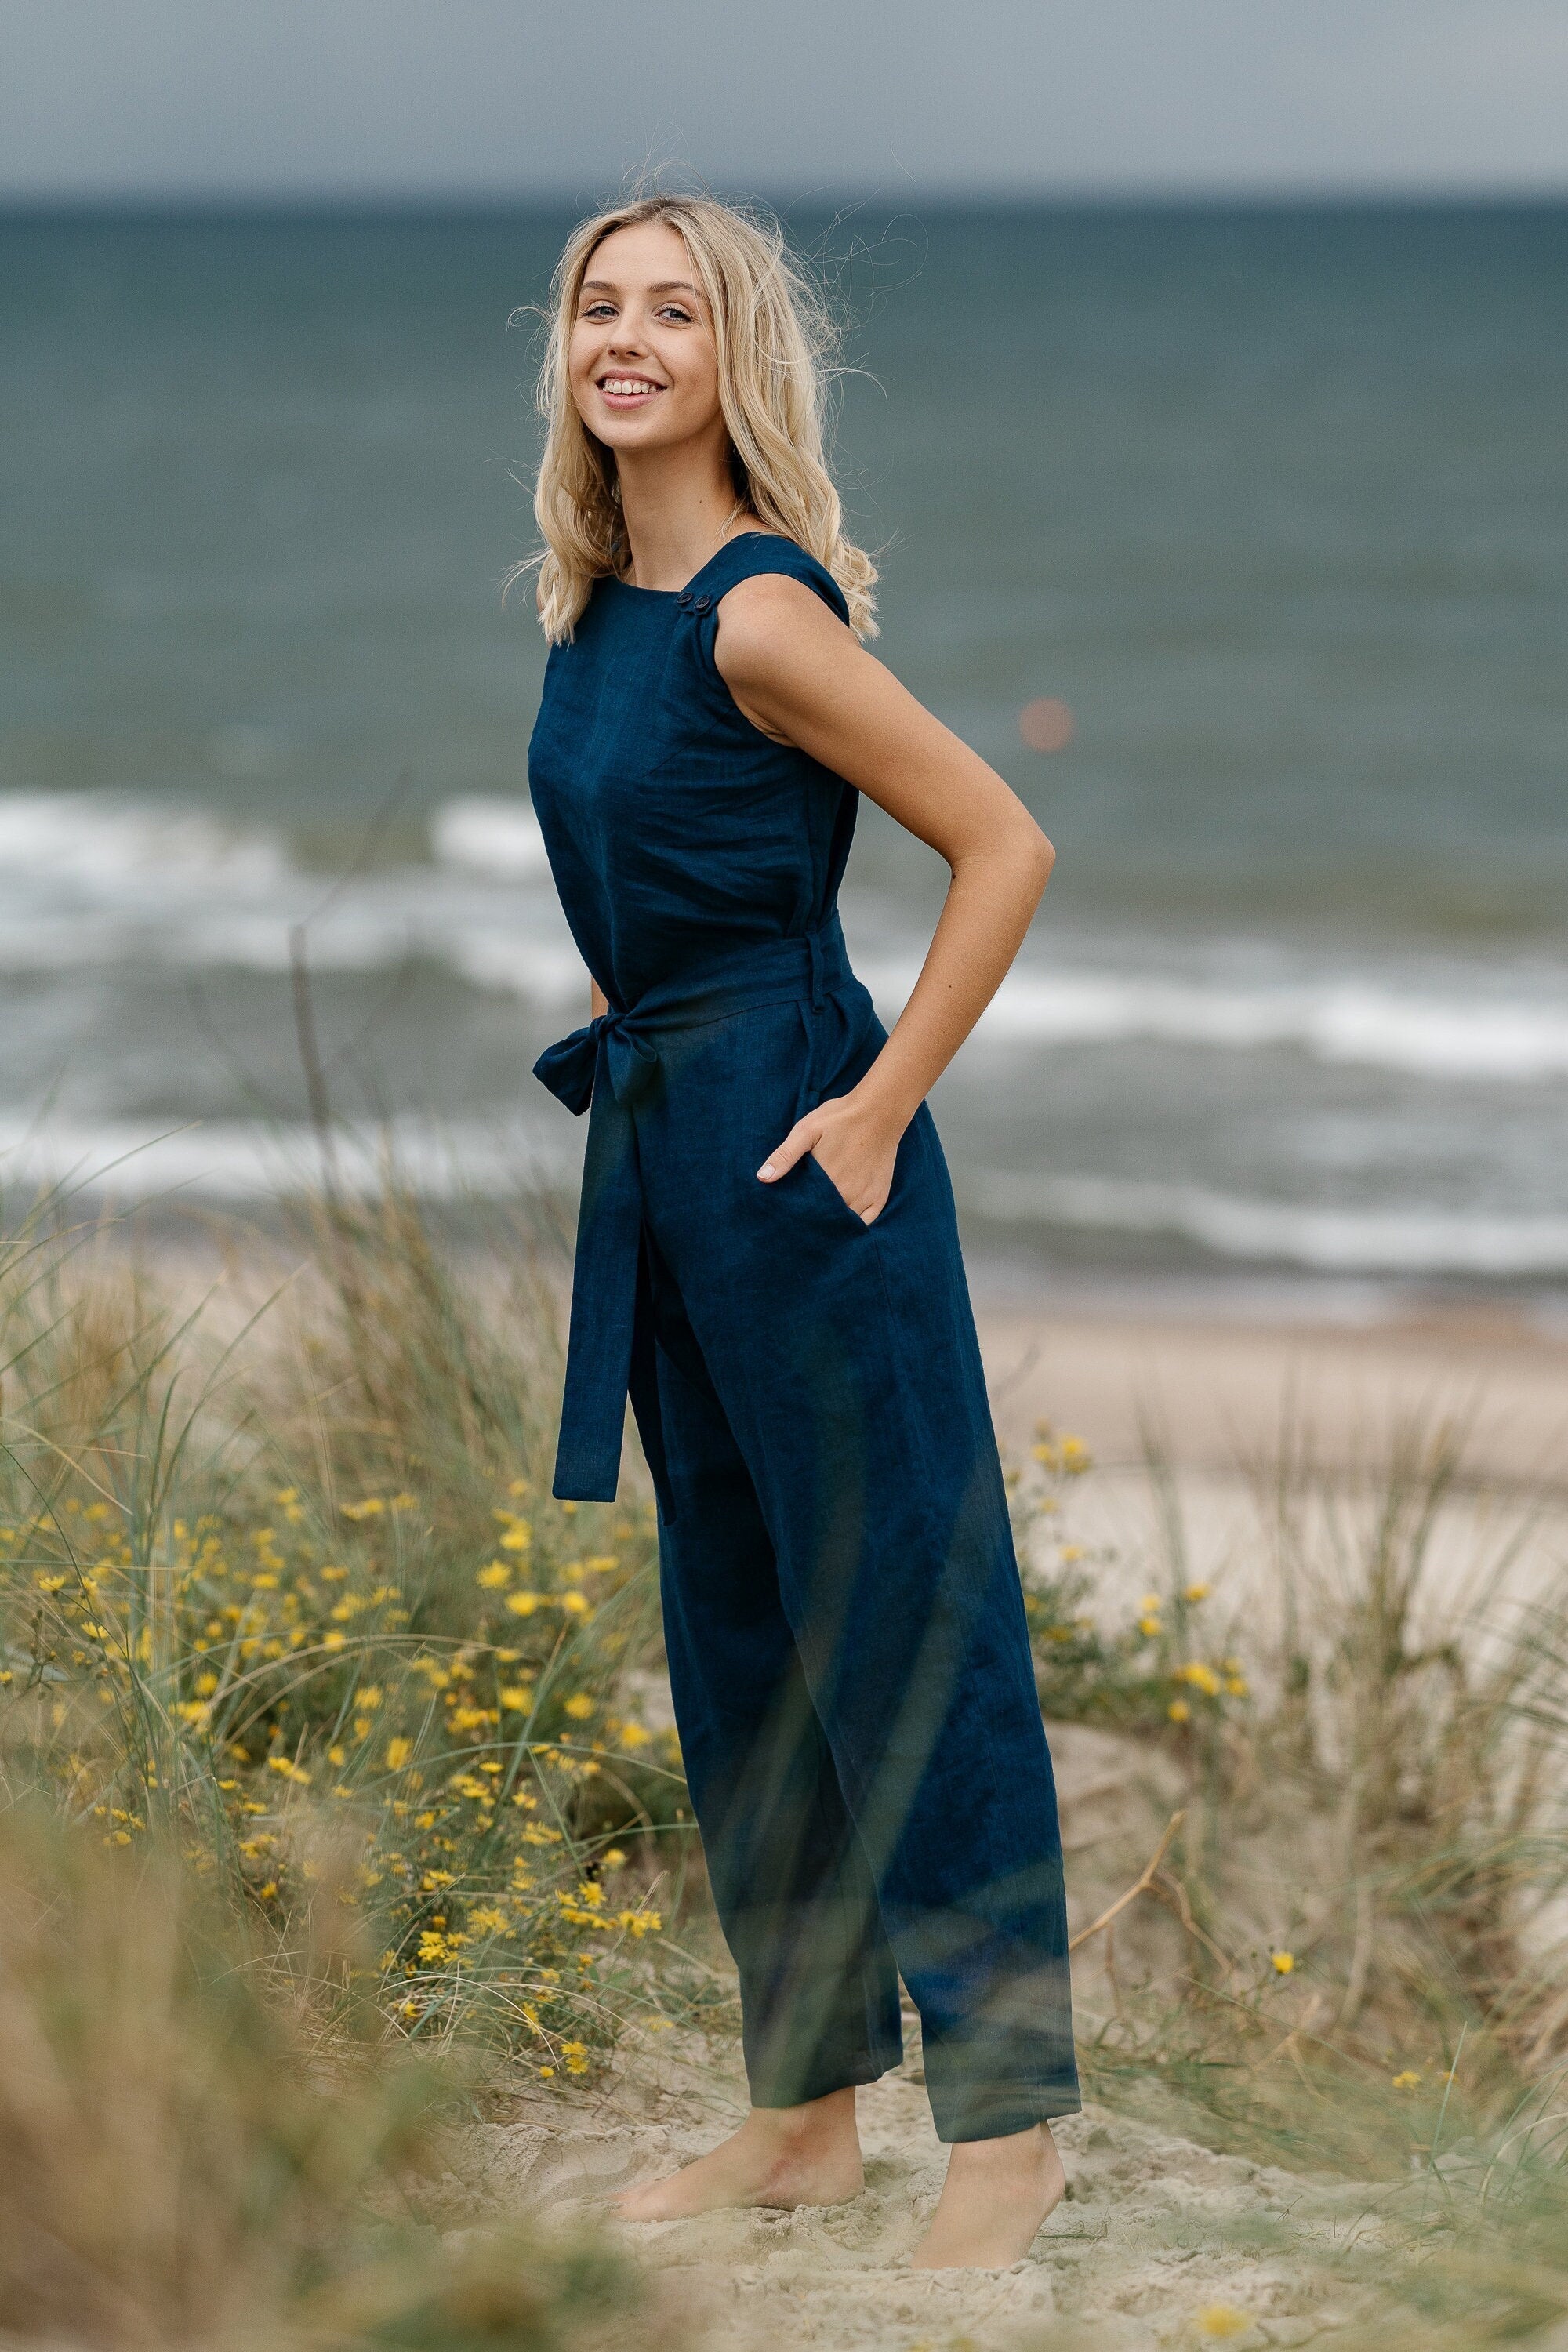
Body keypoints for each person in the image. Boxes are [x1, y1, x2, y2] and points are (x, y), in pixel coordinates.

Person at [523, 194, 1078, 2271]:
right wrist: (623, 999)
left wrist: (881, 1103)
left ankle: (1010, 2133)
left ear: (734, 355)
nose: (630, 338)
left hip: (805, 1162)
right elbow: (643, 867)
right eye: (602, 305)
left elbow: (1004, 841)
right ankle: (804, 2112)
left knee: (906, 1621)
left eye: (676, 310)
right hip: (672, 1157)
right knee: (742, 1637)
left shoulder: (764, 615)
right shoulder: (594, 612)